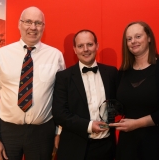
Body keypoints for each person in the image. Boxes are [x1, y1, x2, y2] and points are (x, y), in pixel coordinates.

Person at [0, 6, 65, 160]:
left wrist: (58, 133)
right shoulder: (1, 55)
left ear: (44, 27)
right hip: (7, 132)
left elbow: (62, 99)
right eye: (28, 22)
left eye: (38, 23)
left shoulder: (56, 56)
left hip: (42, 133)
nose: (33, 27)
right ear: (19, 24)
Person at [109, 21, 159, 160]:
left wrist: (137, 123)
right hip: (129, 145)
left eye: (138, 36)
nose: (133, 41)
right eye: (129, 39)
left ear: (149, 38)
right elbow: (120, 107)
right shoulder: (122, 72)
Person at [52, 29, 117, 160]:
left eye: (90, 44)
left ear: (97, 46)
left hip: (107, 147)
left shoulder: (112, 73)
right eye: (80, 46)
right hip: (74, 148)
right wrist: (89, 126)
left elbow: (118, 103)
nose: (85, 49)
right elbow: (59, 114)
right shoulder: (63, 77)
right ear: (75, 50)